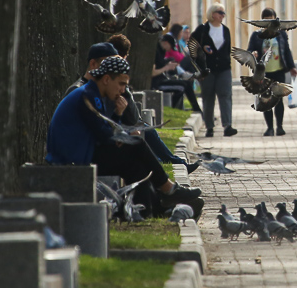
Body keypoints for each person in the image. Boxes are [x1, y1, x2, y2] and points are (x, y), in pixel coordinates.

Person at [46, 56, 203, 214]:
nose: (122, 90)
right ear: (107, 79)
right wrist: (123, 134)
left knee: (134, 165)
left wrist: (119, 121)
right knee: (137, 145)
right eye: (121, 84)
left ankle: (154, 208)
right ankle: (168, 189)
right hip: (71, 160)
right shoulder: (88, 96)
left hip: (83, 153)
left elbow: (105, 130)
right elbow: (103, 135)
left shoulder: (95, 94)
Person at [97, 34, 200, 172]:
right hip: (123, 123)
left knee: (148, 131)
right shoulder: (112, 74)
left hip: (126, 122)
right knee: (147, 132)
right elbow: (129, 114)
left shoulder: (113, 73)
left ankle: (173, 163)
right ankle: (172, 166)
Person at [248, 8, 297, 136]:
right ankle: (270, 128)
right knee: (265, 100)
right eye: (266, 20)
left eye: (272, 19)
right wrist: (253, 54)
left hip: (279, 71)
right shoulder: (256, 35)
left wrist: (292, 66)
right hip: (264, 73)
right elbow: (249, 51)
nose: (269, 22)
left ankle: (279, 127)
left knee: (278, 99)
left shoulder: (281, 34)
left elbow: (286, 51)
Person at [191, 2, 236, 137]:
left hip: (224, 69)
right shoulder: (202, 30)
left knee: (225, 96)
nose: (223, 15)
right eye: (220, 12)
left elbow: (227, 50)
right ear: (212, 14)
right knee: (208, 98)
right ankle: (209, 127)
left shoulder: (225, 30)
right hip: (207, 71)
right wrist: (199, 68)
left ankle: (227, 125)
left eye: (223, 13)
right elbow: (193, 49)